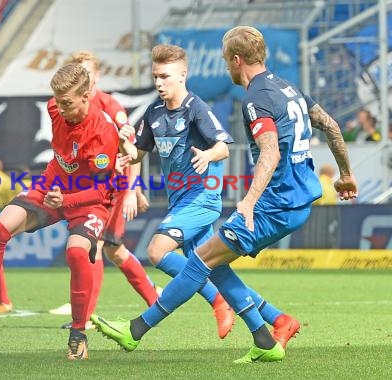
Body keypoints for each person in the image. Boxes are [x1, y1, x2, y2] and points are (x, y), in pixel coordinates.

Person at [91, 27, 358, 364]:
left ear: (236, 60)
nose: (226, 68)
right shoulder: (288, 88)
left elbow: (270, 153)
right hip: (300, 198)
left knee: (200, 262)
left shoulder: (255, 98)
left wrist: (248, 202)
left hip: (274, 204)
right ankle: (270, 330)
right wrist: (346, 175)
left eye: (225, 61)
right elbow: (331, 125)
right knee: (213, 263)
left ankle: (135, 331)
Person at [0, 63, 120, 360]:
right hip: (51, 184)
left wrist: (65, 202)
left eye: (68, 103)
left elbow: (102, 191)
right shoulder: (55, 107)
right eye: (58, 102)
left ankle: (78, 334)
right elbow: (61, 154)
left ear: (86, 95)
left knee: (77, 253)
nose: (61, 110)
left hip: (89, 199)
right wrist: (53, 194)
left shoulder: (103, 134)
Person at [94, 44, 236, 339]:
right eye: (156, 76)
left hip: (201, 196)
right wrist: (123, 146)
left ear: (182, 75)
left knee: (157, 251)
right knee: (213, 267)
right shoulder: (154, 111)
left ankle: (216, 301)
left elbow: (223, 147)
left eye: (165, 76)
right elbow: (138, 153)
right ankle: (270, 322)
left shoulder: (197, 108)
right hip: (179, 201)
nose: (159, 83)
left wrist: (208, 156)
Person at [50, 51, 161, 329]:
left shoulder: (111, 106)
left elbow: (132, 150)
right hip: (88, 188)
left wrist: (133, 189)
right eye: (78, 72)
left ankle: (85, 316)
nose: (83, 78)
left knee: (96, 246)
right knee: (114, 249)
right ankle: (155, 301)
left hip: (111, 187)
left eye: (86, 73)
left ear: (95, 77)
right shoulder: (67, 108)